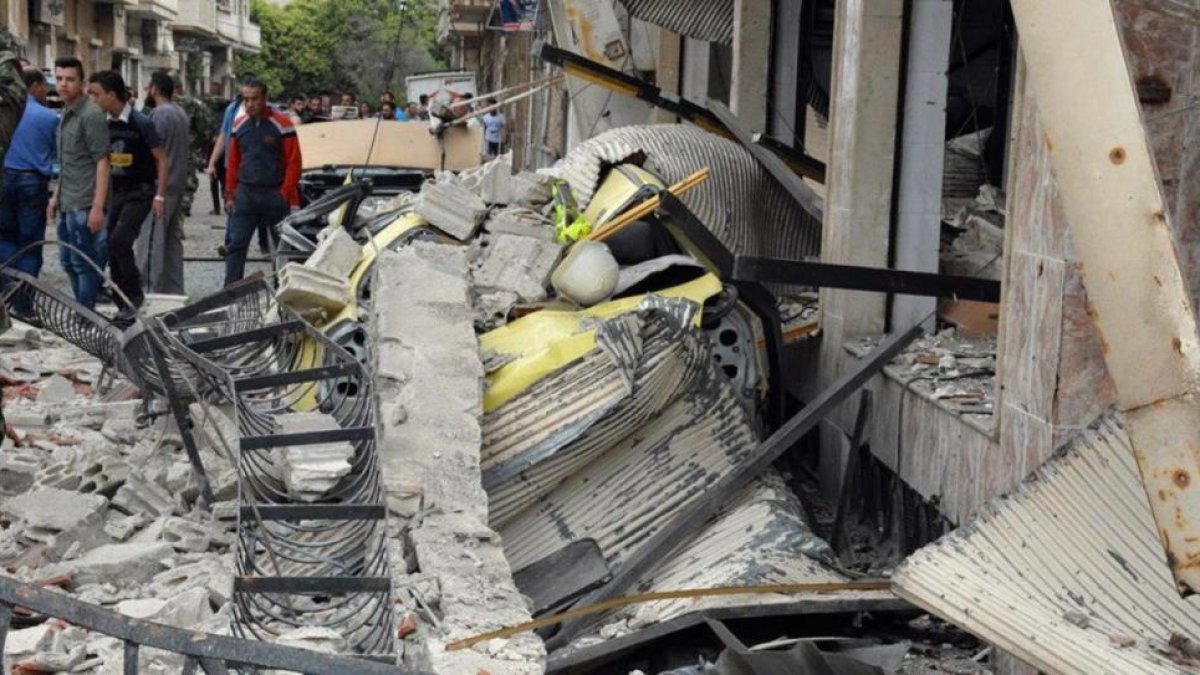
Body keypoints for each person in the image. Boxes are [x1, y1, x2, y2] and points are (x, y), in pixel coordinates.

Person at [88, 70, 168, 325]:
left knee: (121, 240)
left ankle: (134, 295)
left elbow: (162, 160)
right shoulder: (104, 123)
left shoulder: (141, 123)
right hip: (117, 193)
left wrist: (160, 196)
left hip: (141, 192)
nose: (93, 99)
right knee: (110, 244)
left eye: (96, 94)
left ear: (111, 95)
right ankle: (123, 303)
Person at [223, 77, 301, 286]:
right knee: (236, 245)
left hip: (273, 193)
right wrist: (230, 193)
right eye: (245, 99)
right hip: (245, 194)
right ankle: (230, 292)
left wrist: (284, 193)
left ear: (265, 98)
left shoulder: (282, 125)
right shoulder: (238, 125)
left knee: (281, 249)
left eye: (254, 99)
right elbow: (233, 161)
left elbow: (294, 161)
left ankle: (283, 291)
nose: (249, 104)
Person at [47, 57, 108, 311]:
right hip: (66, 202)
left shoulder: (90, 115)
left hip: (84, 203)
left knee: (83, 263)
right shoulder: (66, 114)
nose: (63, 84)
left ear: (81, 83)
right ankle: (84, 311)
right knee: (68, 262)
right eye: (59, 78)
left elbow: (102, 162)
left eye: (70, 79)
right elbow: (67, 163)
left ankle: (85, 314)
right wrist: (54, 198)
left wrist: (97, 206)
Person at [0, 68, 57, 311]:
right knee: (31, 243)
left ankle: (8, 297)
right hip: (33, 183)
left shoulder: (6, 113)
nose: (46, 91)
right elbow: (57, 155)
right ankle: (24, 305)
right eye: (44, 86)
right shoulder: (49, 117)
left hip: (5, 180)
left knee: (5, 239)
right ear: (33, 86)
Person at [134, 70, 188, 295]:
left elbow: (153, 154)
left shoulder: (158, 115)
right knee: (171, 244)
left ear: (154, 89)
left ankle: (148, 290)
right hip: (177, 184)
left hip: (161, 187)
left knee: (151, 243)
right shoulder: (180, 113)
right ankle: (173, 291)